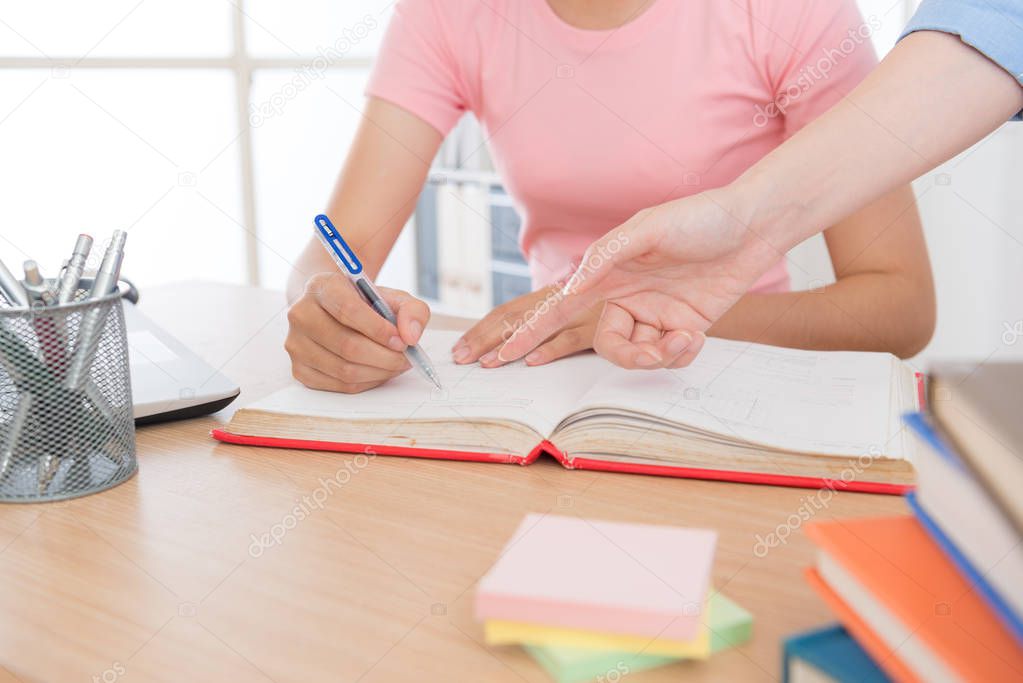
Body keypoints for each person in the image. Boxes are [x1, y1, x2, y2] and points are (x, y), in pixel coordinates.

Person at [285, 0, 936, 393]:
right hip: (538, 386)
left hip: (734, 374)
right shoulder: (451, 12)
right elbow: (334, 254)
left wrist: (632, 314)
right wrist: (324, 306)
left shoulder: (787, 12)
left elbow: (898, 305)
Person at [497, 0, 1023, 369]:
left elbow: (997, 26)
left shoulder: (785, 14)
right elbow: (992, 24)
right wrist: (744, 219)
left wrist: (736, 238)